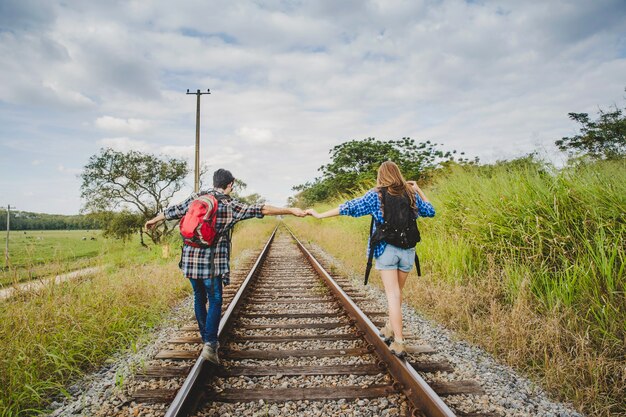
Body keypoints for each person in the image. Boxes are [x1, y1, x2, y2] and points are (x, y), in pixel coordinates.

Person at [145, 168, 306, 364]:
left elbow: (174, 211)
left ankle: (207, 339)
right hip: (212, 263)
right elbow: (260, 209)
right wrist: (290, 210)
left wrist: (154, 220)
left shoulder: (198, 197)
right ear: (231, 184)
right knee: (214, 299)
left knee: (198, 296)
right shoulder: (230, 205)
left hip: (189, 259)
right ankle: (210, 344)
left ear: (214, 182)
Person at [306, 161, 435, 357]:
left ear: (381, 176)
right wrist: (418, 189)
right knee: (397, 294)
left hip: (386, 250)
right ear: (398, 174)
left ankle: (399, 342)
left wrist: (319, 215)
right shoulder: (411, 194)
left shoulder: (376, 195)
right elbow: (430, 211)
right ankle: (390, 329)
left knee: (393, 295)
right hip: (408, 251)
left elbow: (349, 208)